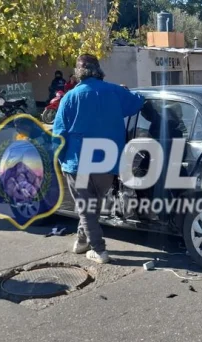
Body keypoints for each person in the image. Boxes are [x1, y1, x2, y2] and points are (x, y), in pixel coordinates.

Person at [52, 54, 145, 264]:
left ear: (78, 72)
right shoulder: (114, 91)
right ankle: (82, 241)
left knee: (86, 208)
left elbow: (58, 134)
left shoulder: (70, 97)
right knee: (90, 207)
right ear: (98, 69)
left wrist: (58, 158)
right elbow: (138, 102)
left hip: (78, 162)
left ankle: (99, 250)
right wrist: (126, 91)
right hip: (107, 163)